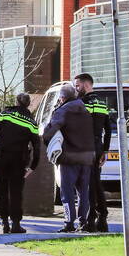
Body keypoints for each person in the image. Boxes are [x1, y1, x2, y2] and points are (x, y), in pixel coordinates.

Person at [0, 93, 41, 234]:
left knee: (0, 191)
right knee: (16, 193)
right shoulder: (32, 122)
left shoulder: (5, 114)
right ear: (28, 104)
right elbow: (36, 146)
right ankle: (15, 224)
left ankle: (4, 223)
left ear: (16, 102)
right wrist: (33, 166)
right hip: (19, 161)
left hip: (0, 157)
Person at [42, 84, 95, 233]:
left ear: (63, 97)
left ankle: (69, 222)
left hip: (69, 158)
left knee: (66, 193)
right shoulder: (85, 110)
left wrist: (46, 138)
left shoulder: (63, 110)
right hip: (86, 157)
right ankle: (83, 222)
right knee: (83, 192)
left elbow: (51, 130)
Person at [74, 73, 113, 233]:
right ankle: (102, 217)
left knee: (87, 185)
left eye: (77, 85)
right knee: (96, 183)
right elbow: (108, 130)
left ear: (86, 85)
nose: (76, 88)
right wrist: (105, 150)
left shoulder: (82, 103)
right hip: (97, 147)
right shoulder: (102, 104)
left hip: (85, 146)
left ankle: (90, 221)